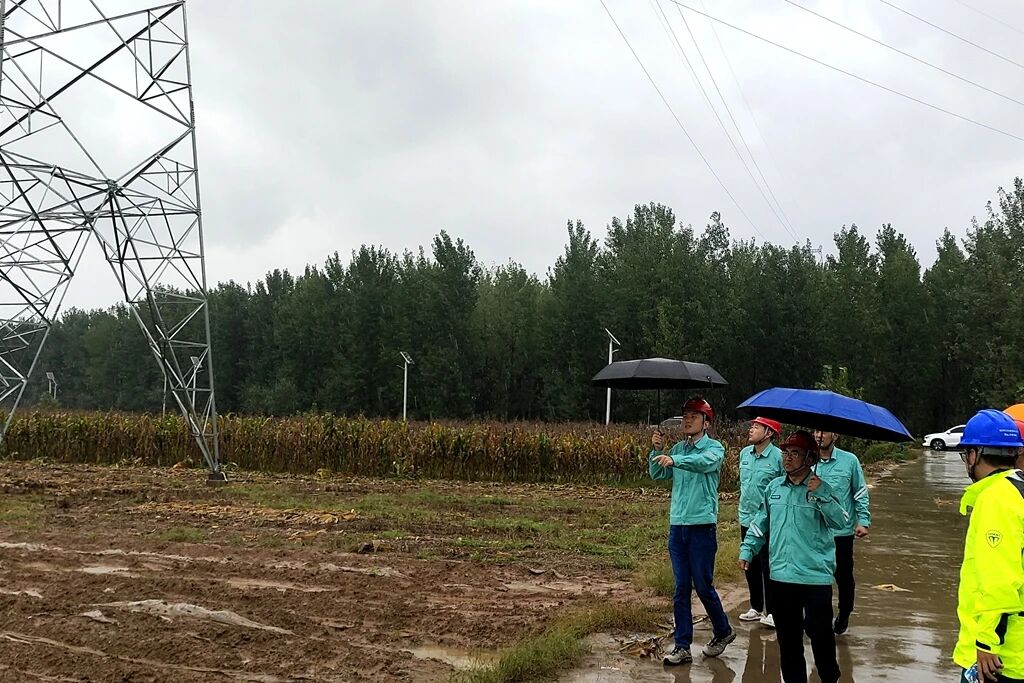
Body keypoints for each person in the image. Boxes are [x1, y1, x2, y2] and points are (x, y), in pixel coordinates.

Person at [739, 430, 847, 683]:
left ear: (810, 458)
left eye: (795, 453)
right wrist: (748, 549)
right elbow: (760, 522)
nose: (787, 458)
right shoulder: (774, 488)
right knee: (788, 643)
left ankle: (830, 678)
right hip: (781, 576)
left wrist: (822, 494)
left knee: (820, 637)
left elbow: (841, 521)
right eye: (786, 452)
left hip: (814, 578)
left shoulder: (822, 488)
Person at [650, 397, 736, 665]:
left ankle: (723, 630)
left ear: (706, 423)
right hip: (678, 526)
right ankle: (682, 645)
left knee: (702, 585)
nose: (687, 420)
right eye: (685, 416)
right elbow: (657, 474)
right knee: (681, 587)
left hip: (702, 526)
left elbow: (702, 463)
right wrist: (657, 451)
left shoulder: (714, 448)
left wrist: (674, 460)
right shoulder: (677, 448)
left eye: (694, 416)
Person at [954, 409, 1024, 683]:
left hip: (1000, 657)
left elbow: (999, 579)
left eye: (966, 454)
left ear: (974, 455)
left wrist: (985, 642)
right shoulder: (1018, 489)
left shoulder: (996, 499)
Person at [812, 431, 871, 635]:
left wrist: (863, 520)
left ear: (835, 436)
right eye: (816, 431)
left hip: (841, 532)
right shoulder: (808, 461)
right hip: (813, 531)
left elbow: (860, 491)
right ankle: (818, 618)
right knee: (816, 577)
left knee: (843, 577)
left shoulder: (849, 461)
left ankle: (844, 613)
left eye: (823, 432)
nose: (819, 435)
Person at [738, 416, 783, 628]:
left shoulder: (779, 457)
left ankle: (773, 611)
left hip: (769, 520)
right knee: (751, 564)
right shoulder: (744, 454)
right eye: (752, 426)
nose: (751, 430)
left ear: (769, 433)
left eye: (756, 427)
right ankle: (755, 607)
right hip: (747, 517)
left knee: (769, 565)